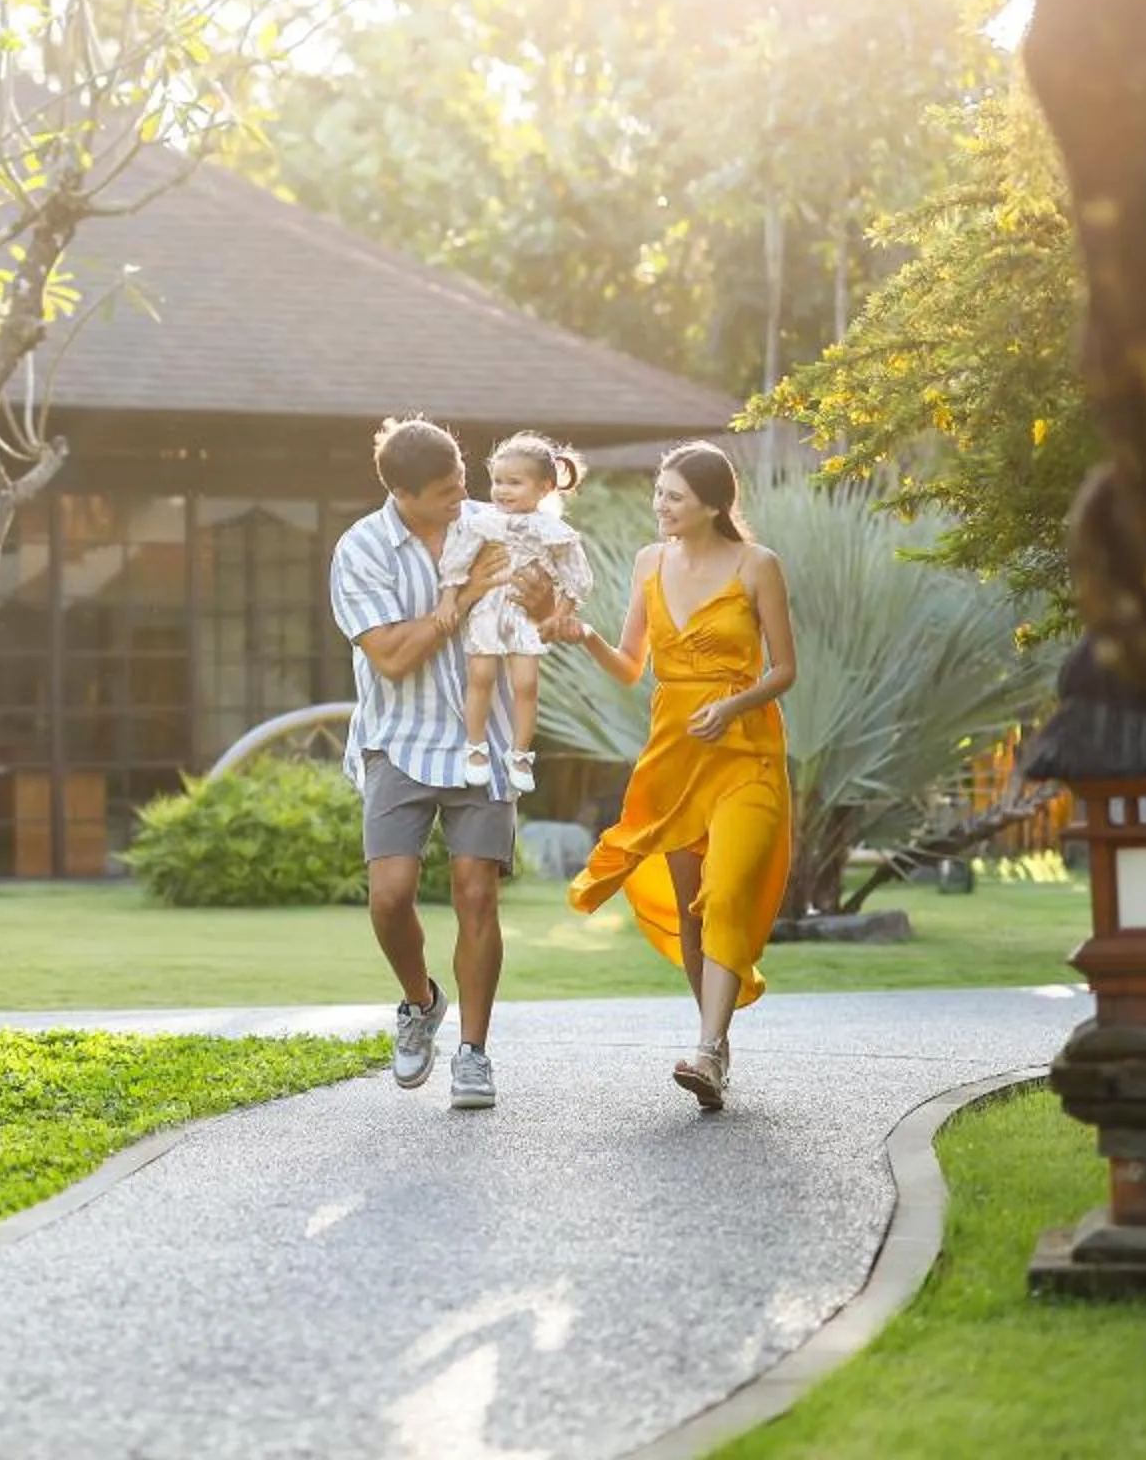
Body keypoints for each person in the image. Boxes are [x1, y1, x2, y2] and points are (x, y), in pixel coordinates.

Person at [550, 440, 798, 1112]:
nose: (660, 505)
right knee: (692, 911)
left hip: (745, 751)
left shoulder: (758, 565)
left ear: (713, 505)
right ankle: (713, 1046)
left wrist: (733, 705)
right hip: (675, 755)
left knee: (726, 889)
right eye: (658, 492)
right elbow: (631, 665)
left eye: (674, 496)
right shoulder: (648, 563)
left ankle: (708, 1049)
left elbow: (784, 670)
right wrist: (585, 637)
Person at [328, 415, 519, 1111]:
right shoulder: (362, 549)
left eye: (462, 480)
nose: (461, 495)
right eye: (445, 490)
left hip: (482, 738)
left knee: (476, 892)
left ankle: (473, 1054)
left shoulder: (492, 527)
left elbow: (546, 600)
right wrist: (461, 601)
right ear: (402, 494)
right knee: (390, 895)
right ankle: (420, 1001)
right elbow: (391, 656)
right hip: (397, 740)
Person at [437, 433, 594, 794]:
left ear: (545, 487)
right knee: (480, 676)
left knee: (526, 684)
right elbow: (456, 561)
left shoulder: (554, 531)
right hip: (488, 609)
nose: (502, 490)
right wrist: (448, 599)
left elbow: (577, 577)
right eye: (497, 481)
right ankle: (475, 746)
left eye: (514, 482)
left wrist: (560, 614)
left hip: (525, 614)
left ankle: (520, 753)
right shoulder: (482, 523)